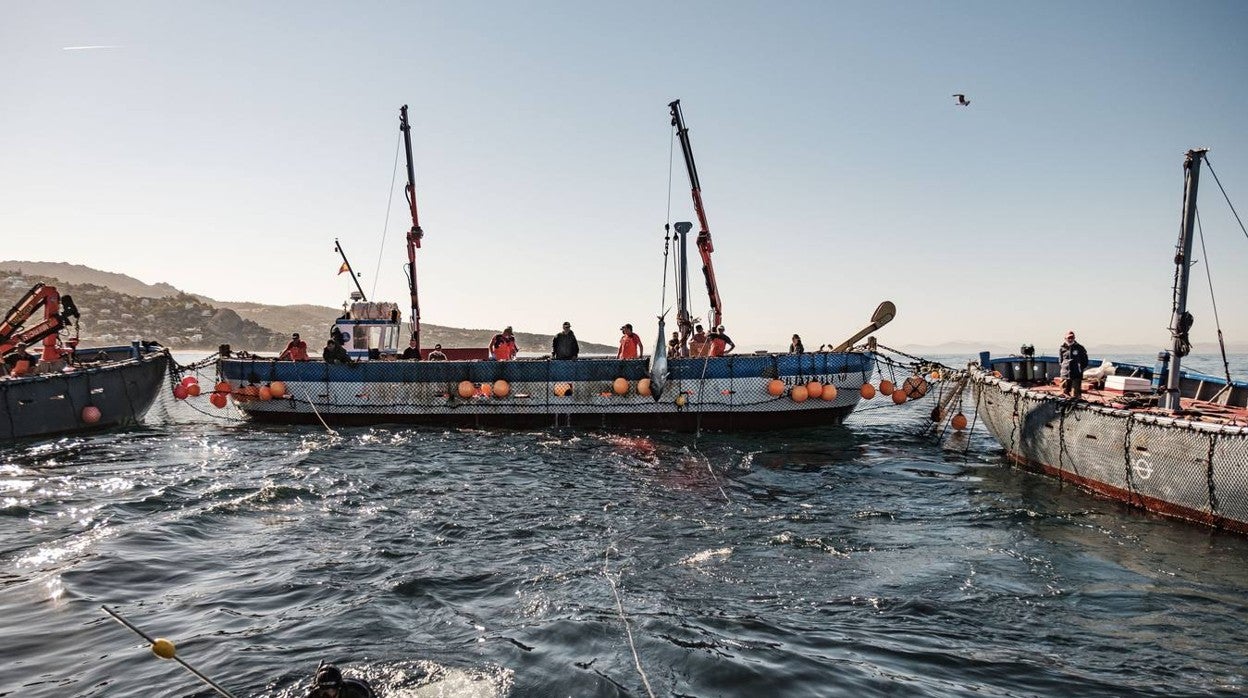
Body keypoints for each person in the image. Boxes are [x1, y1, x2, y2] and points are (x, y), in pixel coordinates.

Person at [1059, 330, 1089, 399]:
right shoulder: (1062, 348)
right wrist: (1064, 368)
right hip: (1065, 374)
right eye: (1068, 338)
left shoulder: (1080, 348)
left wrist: (1079, 368)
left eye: (1072, 338)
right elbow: (1060, 360)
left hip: (1076, 374)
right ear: (1065, 338)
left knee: (1075, 393)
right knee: (1064, 392)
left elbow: (1085, 361)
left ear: (1074, 338)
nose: (1070, 339)